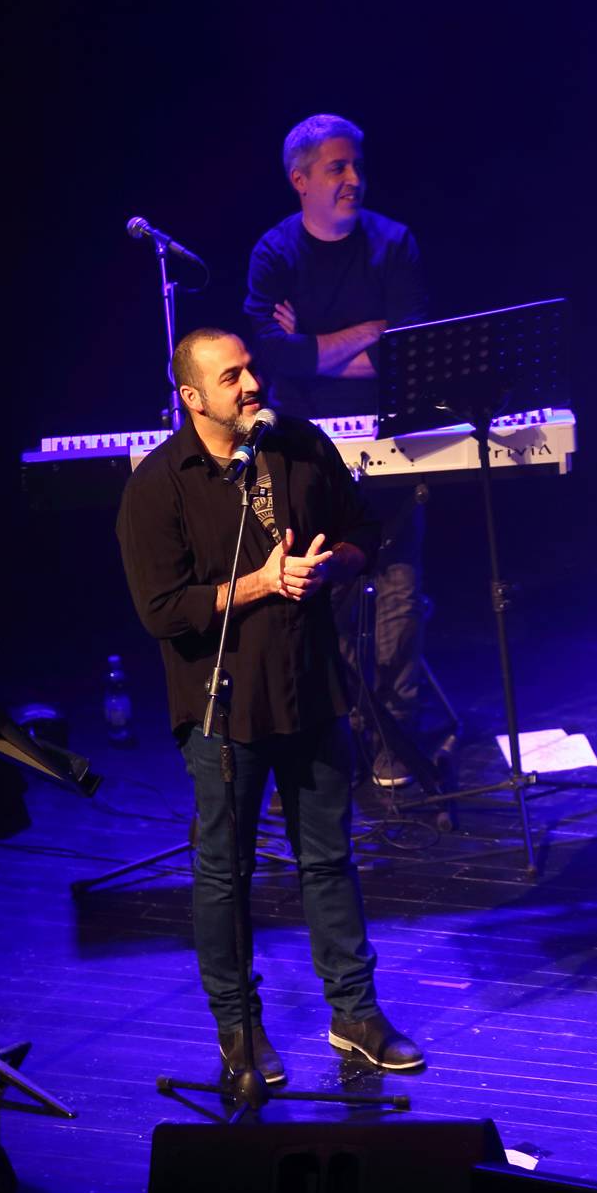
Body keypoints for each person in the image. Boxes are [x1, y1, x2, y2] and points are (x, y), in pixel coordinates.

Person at [116, 328, 424, 1077]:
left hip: (312, 688)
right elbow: (162, 610)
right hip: (226, 709)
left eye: (250, 368)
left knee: (329, 857)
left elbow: (363, 530)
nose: (252, 383)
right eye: (231, 377)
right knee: (225, 872)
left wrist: (333, 566)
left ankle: (355, 1012)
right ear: (192, 398)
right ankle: (239, 1029)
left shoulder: (300, 444)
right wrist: (262, 582)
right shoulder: (158, 486)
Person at [244, 113, 430, 789]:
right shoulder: (274, 253)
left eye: (356, 165)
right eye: (337, 168)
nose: (354, 179)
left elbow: (409, 352)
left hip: (391, 438)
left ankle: (394, 743)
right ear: (300, 180)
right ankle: (334, 740)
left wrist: (316, 350)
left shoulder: (393, 243)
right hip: (305, 449)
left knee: (398, 596)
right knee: (318, 601)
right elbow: (273, 357)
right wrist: (367, 333)